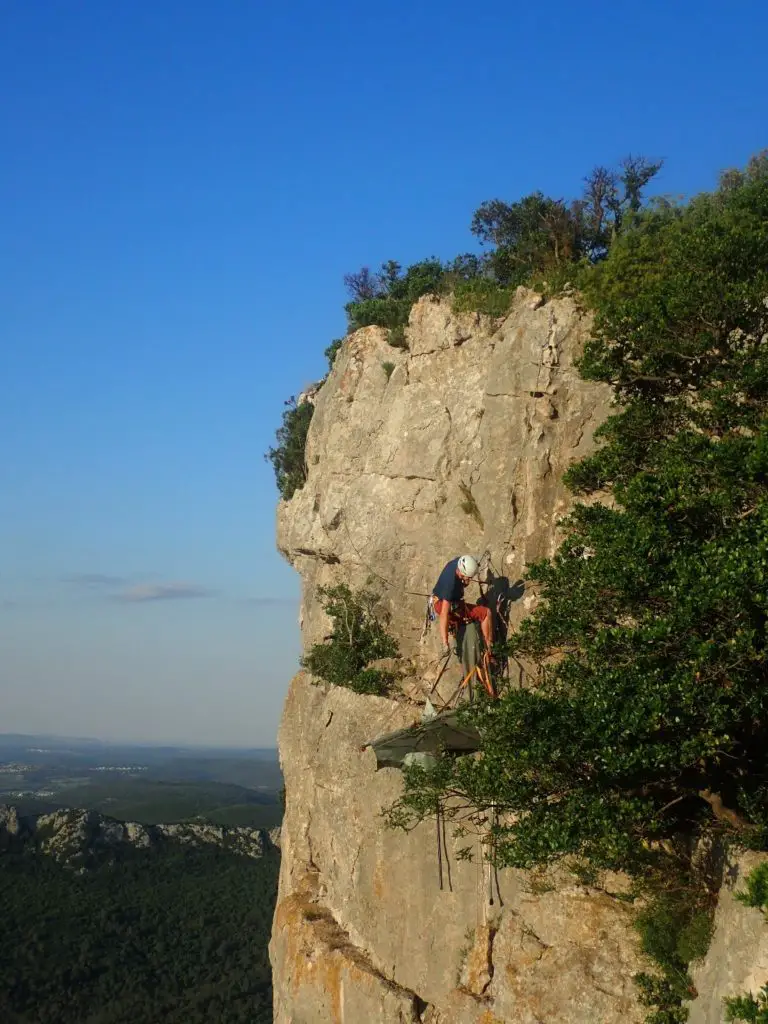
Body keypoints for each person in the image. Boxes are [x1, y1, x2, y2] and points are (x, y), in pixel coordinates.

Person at [431, 554, 493, 658]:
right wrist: (445, 642)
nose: (470, 579)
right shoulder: (450, 584)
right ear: (462, 573)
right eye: (468, 577)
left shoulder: (459, 562)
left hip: (441, 599)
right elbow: (444, 614)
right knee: (486, 613)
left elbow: (468, 563)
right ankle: (489, 647)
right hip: (444, 605)